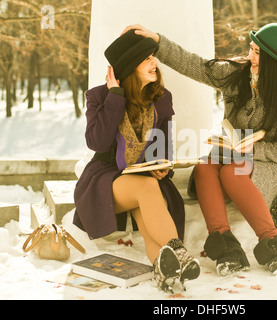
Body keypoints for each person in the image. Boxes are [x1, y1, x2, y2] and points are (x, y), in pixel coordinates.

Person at [123, 23, 277, 275]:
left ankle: (273, 243)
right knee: (204, 167)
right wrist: (158, 42)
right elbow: (194, 65)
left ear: (275, 62)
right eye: (251, 49)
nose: (250, 57)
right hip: (228, 155)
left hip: (267, 166)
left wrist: (255, 149)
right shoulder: (235, 75)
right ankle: (224, 245)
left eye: (257, 53)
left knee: (234, 171)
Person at [73, 30, 200, 292]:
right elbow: (97, 143)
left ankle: (165, 270)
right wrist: (115, 96)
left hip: (145, 179)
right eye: (147, 59)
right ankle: (180, 253)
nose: (154, 63)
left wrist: (163, 168)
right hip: (107, 179)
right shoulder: (99, 96)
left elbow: (164, 148)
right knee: (145, 189)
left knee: (147, 200)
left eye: (153, 57)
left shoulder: (162, 98)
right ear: (130, 67)